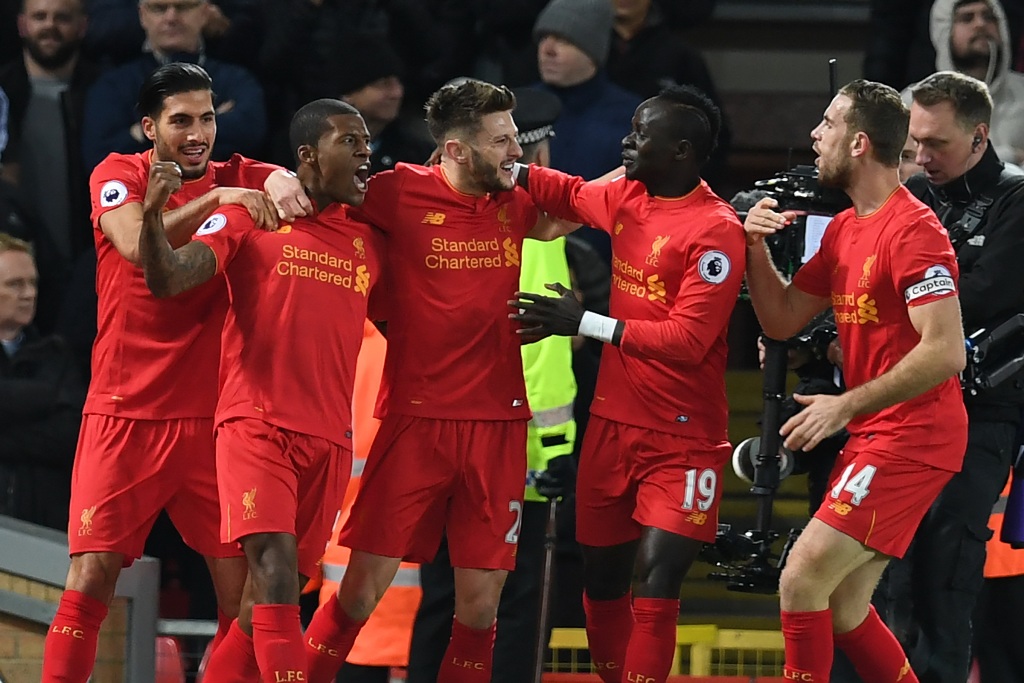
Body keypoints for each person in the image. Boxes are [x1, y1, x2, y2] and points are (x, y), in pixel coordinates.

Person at [40, 62, 303, 683]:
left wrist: (285, 177)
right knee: (91, 577)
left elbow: (289, 178)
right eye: (181, 120)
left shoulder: (241, 175)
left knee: (243, 595)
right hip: (125, 411)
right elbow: (137, 245)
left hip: (217, 424)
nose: (197, 134)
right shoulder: (118, 174)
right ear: (149, 127)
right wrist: (217, 200)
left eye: (207, 118)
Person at [302, 78, 546, 683]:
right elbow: (318, 188)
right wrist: (271, 181)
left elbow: (597, 205)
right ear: (455, 150)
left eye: (514, 136)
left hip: (499, 425)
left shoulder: (517, 200)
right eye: (501, 140)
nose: (516, 150)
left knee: (481, 610)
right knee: (359, 592)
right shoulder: (397, 192)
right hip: (416, 421)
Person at [136, 96, 381, 683]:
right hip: (257, 425)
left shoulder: (370, 241)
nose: (366, 154)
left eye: (368, 143)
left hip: (330, 440)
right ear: (308, 156)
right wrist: (151, 216)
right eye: (350, 142)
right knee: (272, 572)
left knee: (261, 605)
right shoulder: (253, 217)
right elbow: (169, 279)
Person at [510, 84, 745, 683]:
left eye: (641, 134)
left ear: (682, 151)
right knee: (602, 584)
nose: (626, 142)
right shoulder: (628, 194)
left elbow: (688, 341)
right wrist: (502, 163)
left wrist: (583, 322)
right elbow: (567, 192)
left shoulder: (716, 229)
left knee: (657, 580)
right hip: (612, 426)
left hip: (683, 438)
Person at [741, 78, 968, 683]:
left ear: (860, 142)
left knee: (800, 578)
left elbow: (946, 351)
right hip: (880, 433)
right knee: (844, 608)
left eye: (828, 124)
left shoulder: (915, 231)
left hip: (914, 435)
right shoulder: (845, 229)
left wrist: (844, 405)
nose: (815, 135)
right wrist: (753, 247)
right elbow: (782, 318)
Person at [406, 85, 578, 683]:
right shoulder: (514, 220)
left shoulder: (518, 222)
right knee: (500, 600)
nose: (529, 160)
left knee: (464, 598)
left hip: (487, 443)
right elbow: (535, 349)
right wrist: (550, 449)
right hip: (500, 447)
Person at [872, 69, 1024, 683]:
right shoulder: (912, 197)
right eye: (915, 142)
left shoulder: (1017, 199)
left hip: (983, 412)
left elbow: (983, 297)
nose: (922, 156)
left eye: (937, 143)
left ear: (980, 137)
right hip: (906, 404)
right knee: (888, 570)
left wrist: (899, 307)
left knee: (946, 569)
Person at [0, 0, 100, 331]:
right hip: (22, 254)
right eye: (40, 16)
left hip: (90, 259)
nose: (50, 26)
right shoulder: (5, 89)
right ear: (22, 24)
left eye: (62, 17)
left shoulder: (104, 89)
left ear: (83, 25)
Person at [81, 0, 266, 171]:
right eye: (159, 8)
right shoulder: (113, 85)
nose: (171, 17)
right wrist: (212, 123)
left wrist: (144, 134)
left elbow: (250, 135)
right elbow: (101, 158)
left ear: (204, 13)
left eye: (183, 7)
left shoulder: (237, 79)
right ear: (142, 15)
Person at [533, 0, 642, 262]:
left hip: (609, 266)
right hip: (532, 263)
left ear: (593, 51)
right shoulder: (518, 109)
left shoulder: (634, 117)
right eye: (544, 38)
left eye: (564, 40)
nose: (548, 50)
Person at [0, 232, 85, 530]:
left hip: (44, 529)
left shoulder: (56, 354)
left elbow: (70, 436)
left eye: (33, 283)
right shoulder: (54, 374)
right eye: (15, 284)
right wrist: (45, 397)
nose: (29, 294)